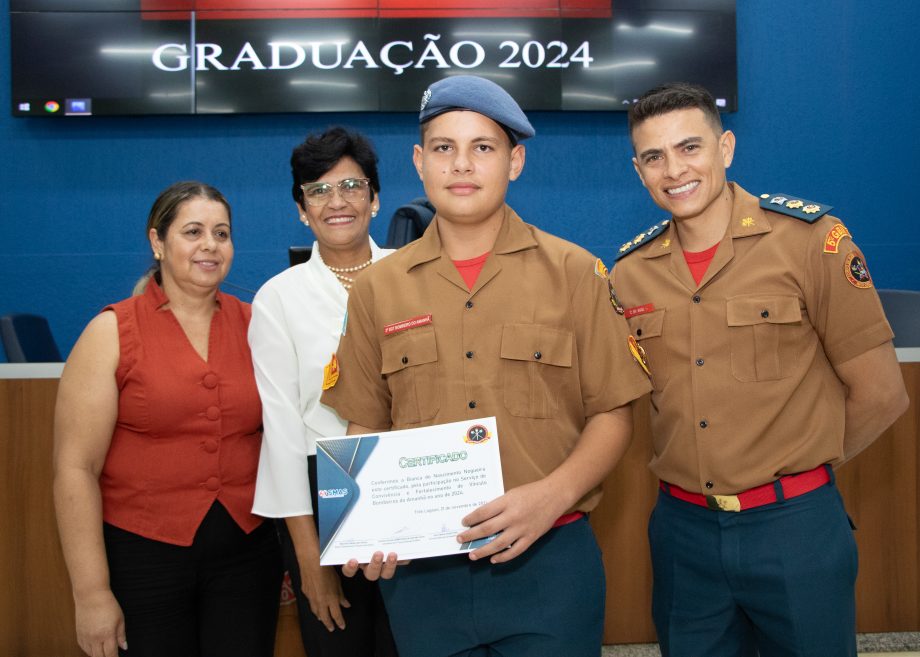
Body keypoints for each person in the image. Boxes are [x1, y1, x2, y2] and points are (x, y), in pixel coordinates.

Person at [320, 75, 652, 657]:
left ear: (515, 161)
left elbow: (614, 413)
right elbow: (364, 427)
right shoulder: (377, 289)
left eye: (483, 147)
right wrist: (363, 523)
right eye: (444, 148)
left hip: (550, 562)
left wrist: (552, 496)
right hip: (424, 577)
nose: (462, 165)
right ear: (420, 163)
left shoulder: (574, 272)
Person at [611, 82, 910, 657]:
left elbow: (881, 393)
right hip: (683, 535)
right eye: (654, 157)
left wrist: (794, 468)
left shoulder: (810, 242)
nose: (674, 170)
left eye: (690, 147)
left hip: (795, 528)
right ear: (639, 170)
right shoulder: (629, 273)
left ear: (725, 147)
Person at [53, 181, 283, 657]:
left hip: (247, 556)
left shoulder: (257, 324)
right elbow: (74, 470)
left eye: (222, 233)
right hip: (143, 558)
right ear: (158, 242)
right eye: (193, 231)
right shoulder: (111, 331)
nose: (210, 246)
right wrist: (91, 594)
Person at [249, 127, 399, 657]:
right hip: (321, 486)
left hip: (408, 478)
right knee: (340, 642)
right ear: (301, 209)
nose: (336, 202)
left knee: (413, 639)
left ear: (375, 199)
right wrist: (310, 558)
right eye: (317, 190)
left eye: (351, 186)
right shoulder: (278, 299)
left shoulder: (414, 278)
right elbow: (283, 432)